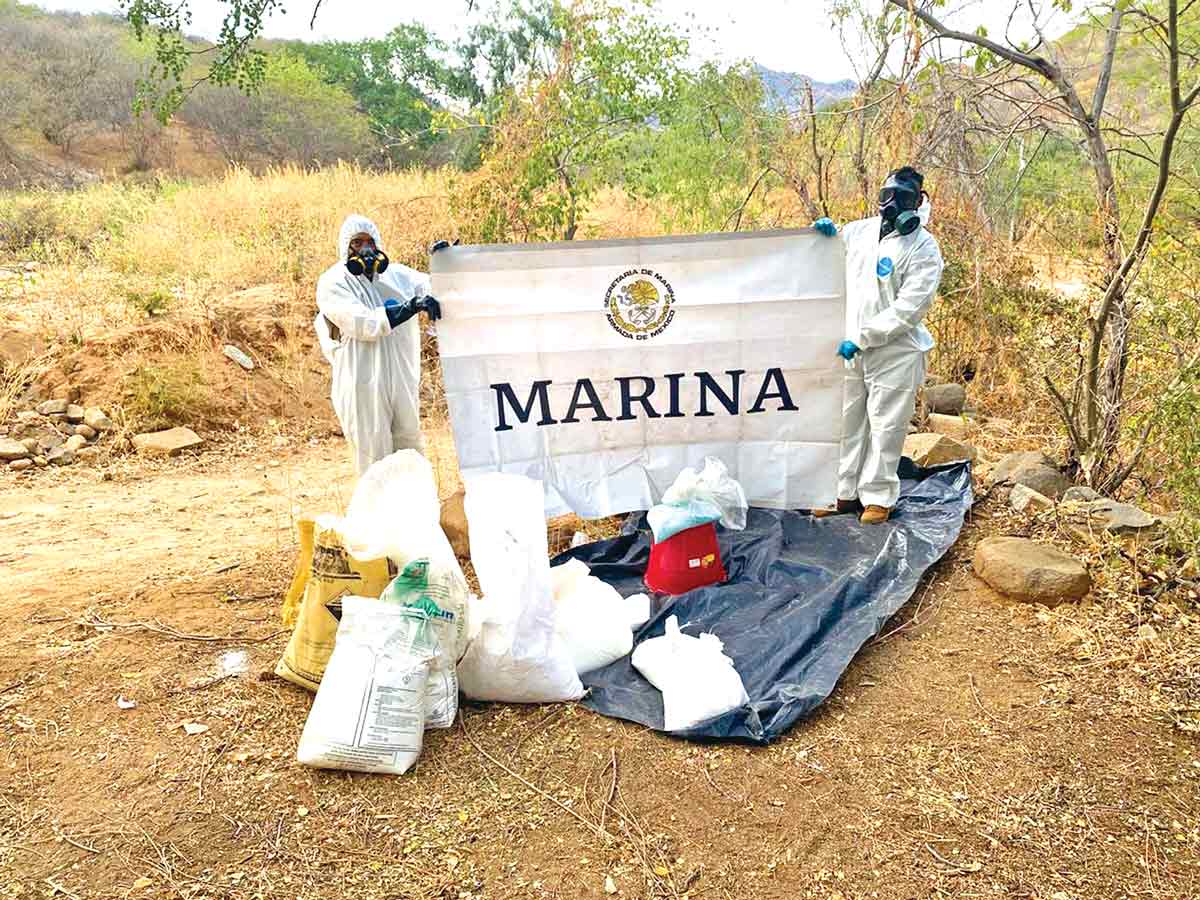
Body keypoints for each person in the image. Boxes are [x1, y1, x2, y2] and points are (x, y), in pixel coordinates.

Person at [810, 166, 944, 524]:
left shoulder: (924, 248)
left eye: (903, 197)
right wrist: (820, 237)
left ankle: (878, 497)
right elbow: (826, 257)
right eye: (887, 195)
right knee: (846, 421)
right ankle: (842, 493)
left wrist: (863, 337)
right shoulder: (859, 231)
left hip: (895, 352)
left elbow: (909, 308)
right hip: (850, 347)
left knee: (886, 426)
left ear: (918, 201)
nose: (892, 204)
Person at [315, 214, 443, 475]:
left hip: (401, 379)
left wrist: (446, 263)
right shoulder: (333, 282)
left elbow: (434, 286)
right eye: (357, 242)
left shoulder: (397, 276)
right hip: (362, 383)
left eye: (370, 242)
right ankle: (377, 503)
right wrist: (410, 307)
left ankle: (414, 502)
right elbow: (361, 322)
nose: (365, 249)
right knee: (374, 456)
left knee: (410, 448)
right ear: (346, 247)